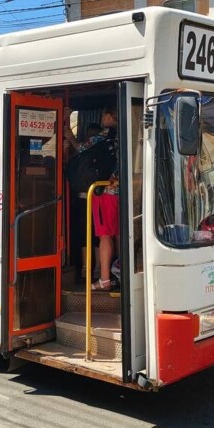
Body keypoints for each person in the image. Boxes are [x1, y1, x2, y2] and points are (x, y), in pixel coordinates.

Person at [64, 106, 118, 291]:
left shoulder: (104, 135)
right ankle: (119, 272)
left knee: (105, 236)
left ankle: (104, 279)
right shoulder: (129, 131)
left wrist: (69, 136)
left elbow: (81, 148)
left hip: (104, 191)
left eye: (103, 114)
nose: (102, 118)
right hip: (124, 193)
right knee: (119, 235)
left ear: (110, 116)